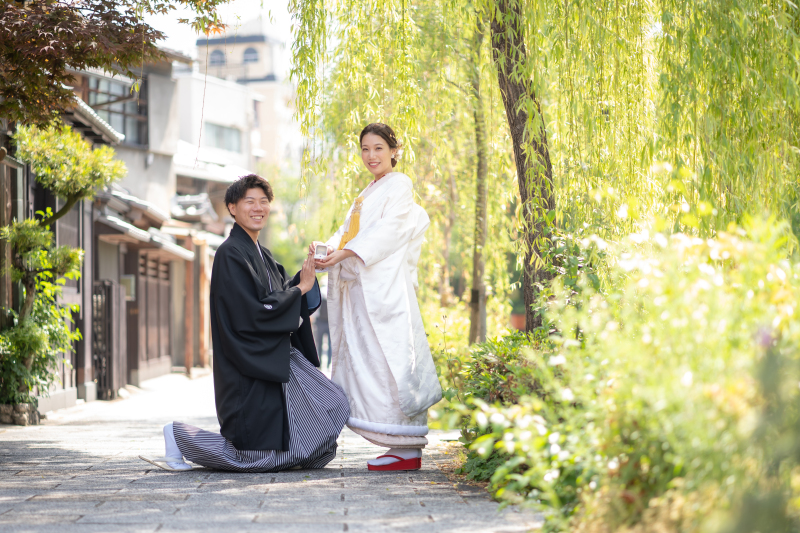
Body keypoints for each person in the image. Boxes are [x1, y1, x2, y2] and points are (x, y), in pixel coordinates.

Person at [140, 174, 350, 472]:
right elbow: (252, 312)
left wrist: (306, 276)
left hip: (268, 357)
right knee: (252, 457)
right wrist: (299, 289)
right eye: (249, 201)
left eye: (263, 202)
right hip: (247, 364)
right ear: (232, 208)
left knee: (326, 422)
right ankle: (178, 435)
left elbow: (275, 297)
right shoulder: (229, 254)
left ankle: (185, 438)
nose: (258, 208)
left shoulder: (261, 254)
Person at [313, 123, 442, 471]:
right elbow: (348, 232)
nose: (371, 156)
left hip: (384, 293)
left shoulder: (399, 185)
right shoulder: (367, 191)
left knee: (390, 362)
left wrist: (345, 253)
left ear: (394, 151)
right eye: (365, 149)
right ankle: (395, 444)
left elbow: (388, 232)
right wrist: (327, 249)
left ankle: (407, 446)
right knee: (370, 361)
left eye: (379, 148)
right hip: (364, 293)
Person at [312, 277, 332, 368]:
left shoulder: (320, 293)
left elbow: (316, 308)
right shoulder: (331, 294)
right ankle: (328, 364)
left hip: (320, 321)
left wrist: (313, 318)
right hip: (329, 322)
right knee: (330, 345)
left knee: (319, 343)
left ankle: (319, 363)